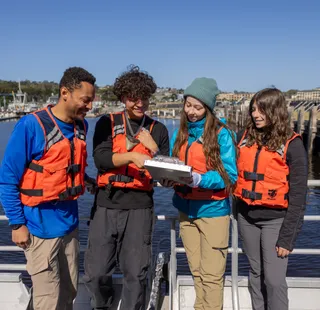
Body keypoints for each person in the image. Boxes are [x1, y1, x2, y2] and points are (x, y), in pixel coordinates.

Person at [0, 67, 96, 310]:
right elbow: (8, 178)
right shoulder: (31, 126)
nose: (89, 107)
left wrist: (86, 180)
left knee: (68, 293)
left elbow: (65, 166)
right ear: (65, 93)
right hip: (38, 229)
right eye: (85, 100)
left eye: (91, 101)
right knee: (48, 301)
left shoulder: (80, 127)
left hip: (69, 227)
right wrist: (17, 224)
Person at [84, 65, 170, 310]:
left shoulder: (159, 130)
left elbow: (167, 174)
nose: (139, 103)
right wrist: (131, 158)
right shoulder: (105, 123)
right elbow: (101, 159)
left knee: (136, 273)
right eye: (133, 98)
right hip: (106, 204)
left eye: (144, 97)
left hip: (140, 207)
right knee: (96, 272)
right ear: (123, 98)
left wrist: (153, 149)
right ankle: (104, 305)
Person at [161, 77, 238, 310]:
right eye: (188, 105)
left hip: (213, 213)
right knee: (196, 272)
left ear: (208, 108)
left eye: (198, 107)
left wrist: (199, 179)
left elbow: (229, 176)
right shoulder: (180, 133)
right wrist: (168, 178)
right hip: (186, 210)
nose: (191, 112)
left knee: (212, 276)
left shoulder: (222, 134)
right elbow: (176, 164)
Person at [234, 88, 308, 310]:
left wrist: (287, 238)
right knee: (255, 273)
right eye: (253, 109)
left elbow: (298, 197)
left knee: (274, 280)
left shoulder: (292, 144)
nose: (255, 114)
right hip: (246, 217)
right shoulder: (244, 137)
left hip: (275, 220)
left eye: (261, 109)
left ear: (274, 111)